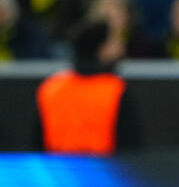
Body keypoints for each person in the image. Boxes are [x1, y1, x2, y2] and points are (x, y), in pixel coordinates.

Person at [35, 20, 140, 155]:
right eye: (114, 42)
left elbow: (37, 145)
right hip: (104, 172)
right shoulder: (115, 90)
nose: (121, 47)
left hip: (58, 172)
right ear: (102, 50)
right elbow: (132, 147)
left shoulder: (50, 88)